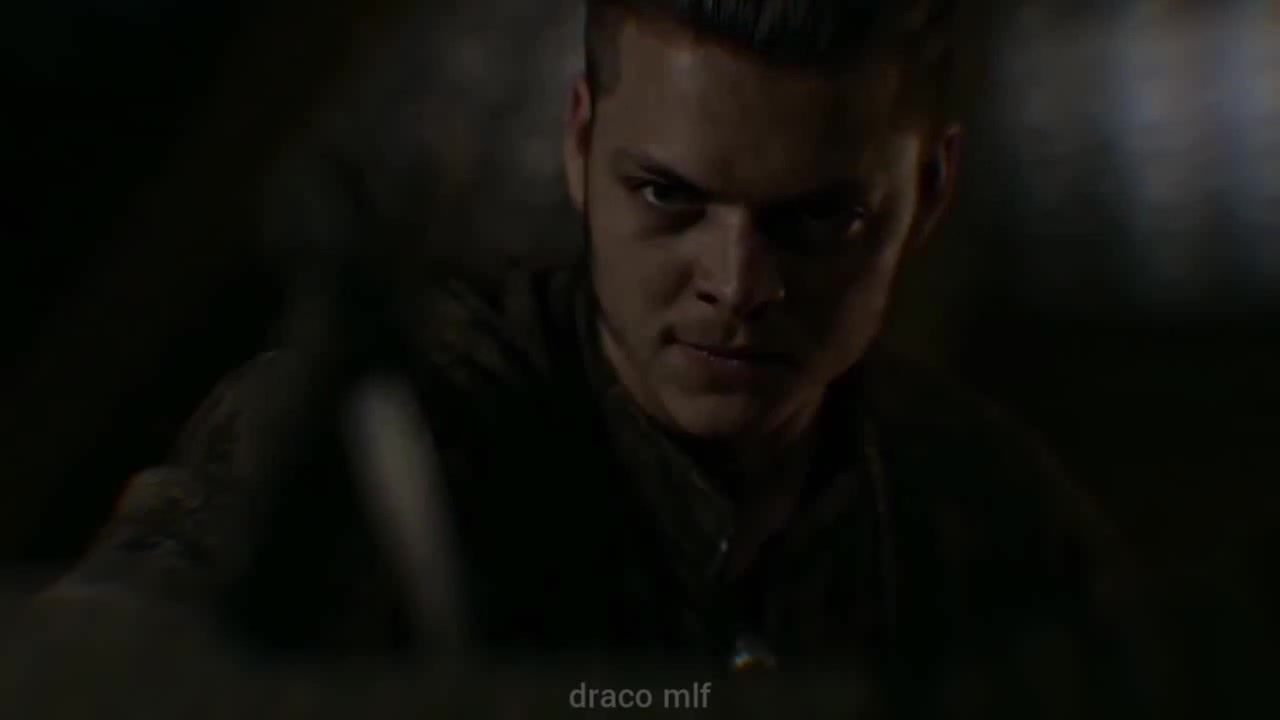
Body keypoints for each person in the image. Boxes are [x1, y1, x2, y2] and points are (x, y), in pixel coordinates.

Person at [34, 1, 1167, 716]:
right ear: (579, 145)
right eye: (668, 198)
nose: (736, 283)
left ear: (930, 192)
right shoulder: (382, 445)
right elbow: (95, 675)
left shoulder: (988, 519)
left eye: (818, 220)